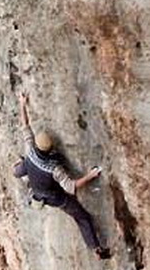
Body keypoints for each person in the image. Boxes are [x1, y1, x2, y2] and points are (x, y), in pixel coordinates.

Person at [14, 92, 111, 259]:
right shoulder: (54, 168)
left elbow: (25, 126)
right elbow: (71, 187)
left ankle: (17, 169)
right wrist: (91, 174)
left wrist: (22, 103)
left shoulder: (30, 149)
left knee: (21, 168)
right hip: (55, 197)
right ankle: (96, 249)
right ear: (50, 150)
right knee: (83, 217)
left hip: (37, 190)